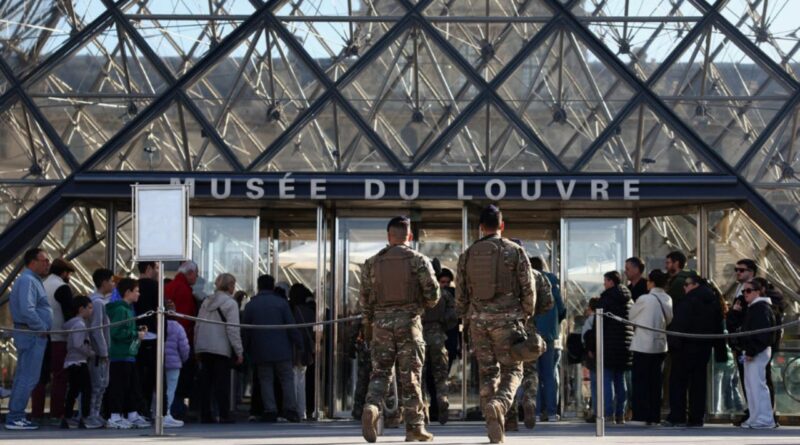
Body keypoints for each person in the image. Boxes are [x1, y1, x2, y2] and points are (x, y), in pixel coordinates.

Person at [455, 205, 535, 444]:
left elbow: (460, 296)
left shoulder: (467, 255)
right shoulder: (515, 251)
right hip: (507, 321)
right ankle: (499, 405)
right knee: (513, 369)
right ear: (502, 226)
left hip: (478, 322)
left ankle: (492, 417)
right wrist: (525, 314)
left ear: (480, 227)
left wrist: (466, 317)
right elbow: (528, 288)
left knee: (488, 371)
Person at [359, 216, 439, 443]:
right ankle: (414, 427)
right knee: (410, 377)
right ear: (409, 236)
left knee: (380, 373)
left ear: (388, 236)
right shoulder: (419, 260)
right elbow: (433, 296)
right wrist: (418, 306)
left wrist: (368, 326)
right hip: (409, 325)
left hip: (381, 326)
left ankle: (372, 407)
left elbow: (364, 302)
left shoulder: (372, 263)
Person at [664, 276, 725, 427]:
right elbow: (718, 327)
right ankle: (696, 417)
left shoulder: (689, 300)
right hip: (703, 348)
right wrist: (720, 351)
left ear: (695, 285)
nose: (684, 288)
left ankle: (677, 416)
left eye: (686, 285)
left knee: (678, 382)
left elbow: (679, 324)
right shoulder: (713, 300)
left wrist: (672, 346)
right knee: (699, 383)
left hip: (684, 348)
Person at [243, 274, 302, 423]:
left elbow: (245, 330)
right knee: (287, 379)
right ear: (272, 286)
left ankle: (270, 410)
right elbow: (291, 326)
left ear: (259, 286)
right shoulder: (282, 303)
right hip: (283, 350)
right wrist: (299, 342)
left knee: (265, 380)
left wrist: (244, 349)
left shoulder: (251, 305)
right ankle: (290, 410)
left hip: (260, 350)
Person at [6, 248, 52, 430]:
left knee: (24, 376)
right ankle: (16, 416)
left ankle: (15, 415)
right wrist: (41, 327)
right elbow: (27, 309)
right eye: (45, 260)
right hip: (32, 334)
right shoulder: (28, 281)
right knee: (28, 377)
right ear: (33, 262)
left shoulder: (31, 280)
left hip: (31, 334)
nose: (48, 264)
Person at [507, 255, 555, 431]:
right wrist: (531, 313)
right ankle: (529, 400)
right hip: (528, 327)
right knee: (530, 371)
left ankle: (510, 417)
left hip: (503, 329)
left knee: (507, 372)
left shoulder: (501, 272)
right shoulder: (536, 275)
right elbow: (548, 303)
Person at [195, 273, 244, 424]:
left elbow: (197, 325)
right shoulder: (231, 303)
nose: (234, 288)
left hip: (204, 346)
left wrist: (196, 347)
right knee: (222, 383)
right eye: (233, 284)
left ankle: (205, 414)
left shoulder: (206, 301)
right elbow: (233, 329)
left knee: (206, 383)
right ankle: (224, 414)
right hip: (220, 347)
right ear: (229, 286)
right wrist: (239, 351)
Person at [32, 258, 75, 423]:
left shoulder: (41, 284)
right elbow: (69, 314)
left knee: (40, 377)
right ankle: (56, 413)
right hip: (59, 338)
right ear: (64, 273)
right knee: (59, 376)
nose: (69, 277)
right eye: (69, 274)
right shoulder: (63, 287)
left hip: (41, 336)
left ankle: (36, 413)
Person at [629, 270, 672, 425]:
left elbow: (631, 317)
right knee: (656, 383)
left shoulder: (645, 299)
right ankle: (654, 416)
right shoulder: (667, 298)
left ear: (651, 282)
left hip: (643, 345)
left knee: (640, 382)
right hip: (660, 345)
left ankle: (640, 415)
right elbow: (670, 319)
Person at [106, 278, 150, 429]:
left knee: (131, 386)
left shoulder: (127, 309)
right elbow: (116, 332)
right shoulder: (121, 310)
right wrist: (135, 334)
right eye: (136, 291)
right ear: (128, 292)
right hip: (120, 354)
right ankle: (115, 415)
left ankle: (131, 413)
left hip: (128, 354)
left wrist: (135, 333)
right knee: (119, 386)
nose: (139, 294)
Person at [594, 271, 633, 424]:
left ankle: (608, 415)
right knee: (620, 380)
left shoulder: (607, 298)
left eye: (605, 280)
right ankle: (620, 414)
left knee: (607, 380)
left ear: (611, 281)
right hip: (625, 345)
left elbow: (600, 321)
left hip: (608, 343)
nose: (604, 283)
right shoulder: (629, 299)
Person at [531, 257, 565, 424]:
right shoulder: (552, 282)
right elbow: (562, 308)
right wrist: (555, 324)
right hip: (550, 335)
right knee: (549, 374)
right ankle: (551, 413)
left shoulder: (527, 279)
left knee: (533, 374)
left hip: (531, 333)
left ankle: (536, 412)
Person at [738, 278, 776, 429]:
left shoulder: (761, 308)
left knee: (757, 385)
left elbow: (762, 334)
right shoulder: (757, 307)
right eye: (744, 291)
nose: (745, 294)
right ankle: (756, 417)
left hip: (757, 351)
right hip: (754, 350)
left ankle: (764, 418)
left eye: (748, 291)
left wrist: (751, 351)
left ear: (758, 292)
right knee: (751, 385)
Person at [422, 264, 456, 426]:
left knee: (418, 376)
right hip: (438, 336)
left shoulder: (419, 292)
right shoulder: (444, 294)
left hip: (419, 336)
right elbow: (454, 314)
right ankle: (442, 399)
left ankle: (422, 410)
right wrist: (443, 323)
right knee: (440, 375)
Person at [165, 261, 199, 419]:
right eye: (196, 274)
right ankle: (175, 410)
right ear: (190, 273)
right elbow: (184, 320)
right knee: (178, 380)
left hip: (167, 340)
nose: (197, 278)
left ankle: (172, 409)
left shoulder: (172, 285)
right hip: (177, 342)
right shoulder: (183, 289)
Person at [61, 296, 101, 429]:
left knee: (73, 390)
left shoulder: (73, 323)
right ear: (81, 309)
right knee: (86, 390)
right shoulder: (80, 324)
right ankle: (84, 417)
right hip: (79, 361)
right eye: (89, 308)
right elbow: (78, 344)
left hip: (71, 362)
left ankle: (67, 417)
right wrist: (91, 352)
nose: (91, 311)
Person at [727, 259, 756, 426]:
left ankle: (758, 412)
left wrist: (734, 313)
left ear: (751, 272)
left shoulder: (753, 290)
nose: (737, 272)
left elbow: (738, 316)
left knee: (755, 380)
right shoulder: (740, 289)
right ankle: (751, 410)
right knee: (746, 379)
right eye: (736, 269)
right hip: (740, 341)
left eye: (741, 270)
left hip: (748, 342)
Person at [87, 268, 113, 427]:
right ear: (104, 283)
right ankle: (92, 414)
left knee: (102, 385)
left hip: (101, 351)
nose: (113, 284)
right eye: (111, 281)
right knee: (97, 384)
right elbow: (97, 328)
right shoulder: (97, 302)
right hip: (98, 353)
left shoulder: (100, 301)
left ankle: (95, 413)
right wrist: (103, 351)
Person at [135, 261, 159, 418]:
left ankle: (137, 410)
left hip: (135, 334)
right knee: (151, 377)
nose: (158, 271)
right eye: (156, 268)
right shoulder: (154, 287)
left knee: (137, 376)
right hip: (151, 334)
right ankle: (146, 410)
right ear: (149, 268)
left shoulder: (134, 286)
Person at [289, 283, 316, 421]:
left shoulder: (291, 310)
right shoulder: (309, 311)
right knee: (301, 380)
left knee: (292, 378)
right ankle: (302, 411)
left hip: (293, 348)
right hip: (305, 349)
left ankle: (293, 409)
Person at [162, 299, 190, 428]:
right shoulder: (178, 327)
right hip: (173, 364)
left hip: (159, 363)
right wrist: (182, 359)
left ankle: (156, 413)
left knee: (157, 390)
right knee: (170, 391)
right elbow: (184, 348)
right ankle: (166, 414)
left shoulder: (157, 325)